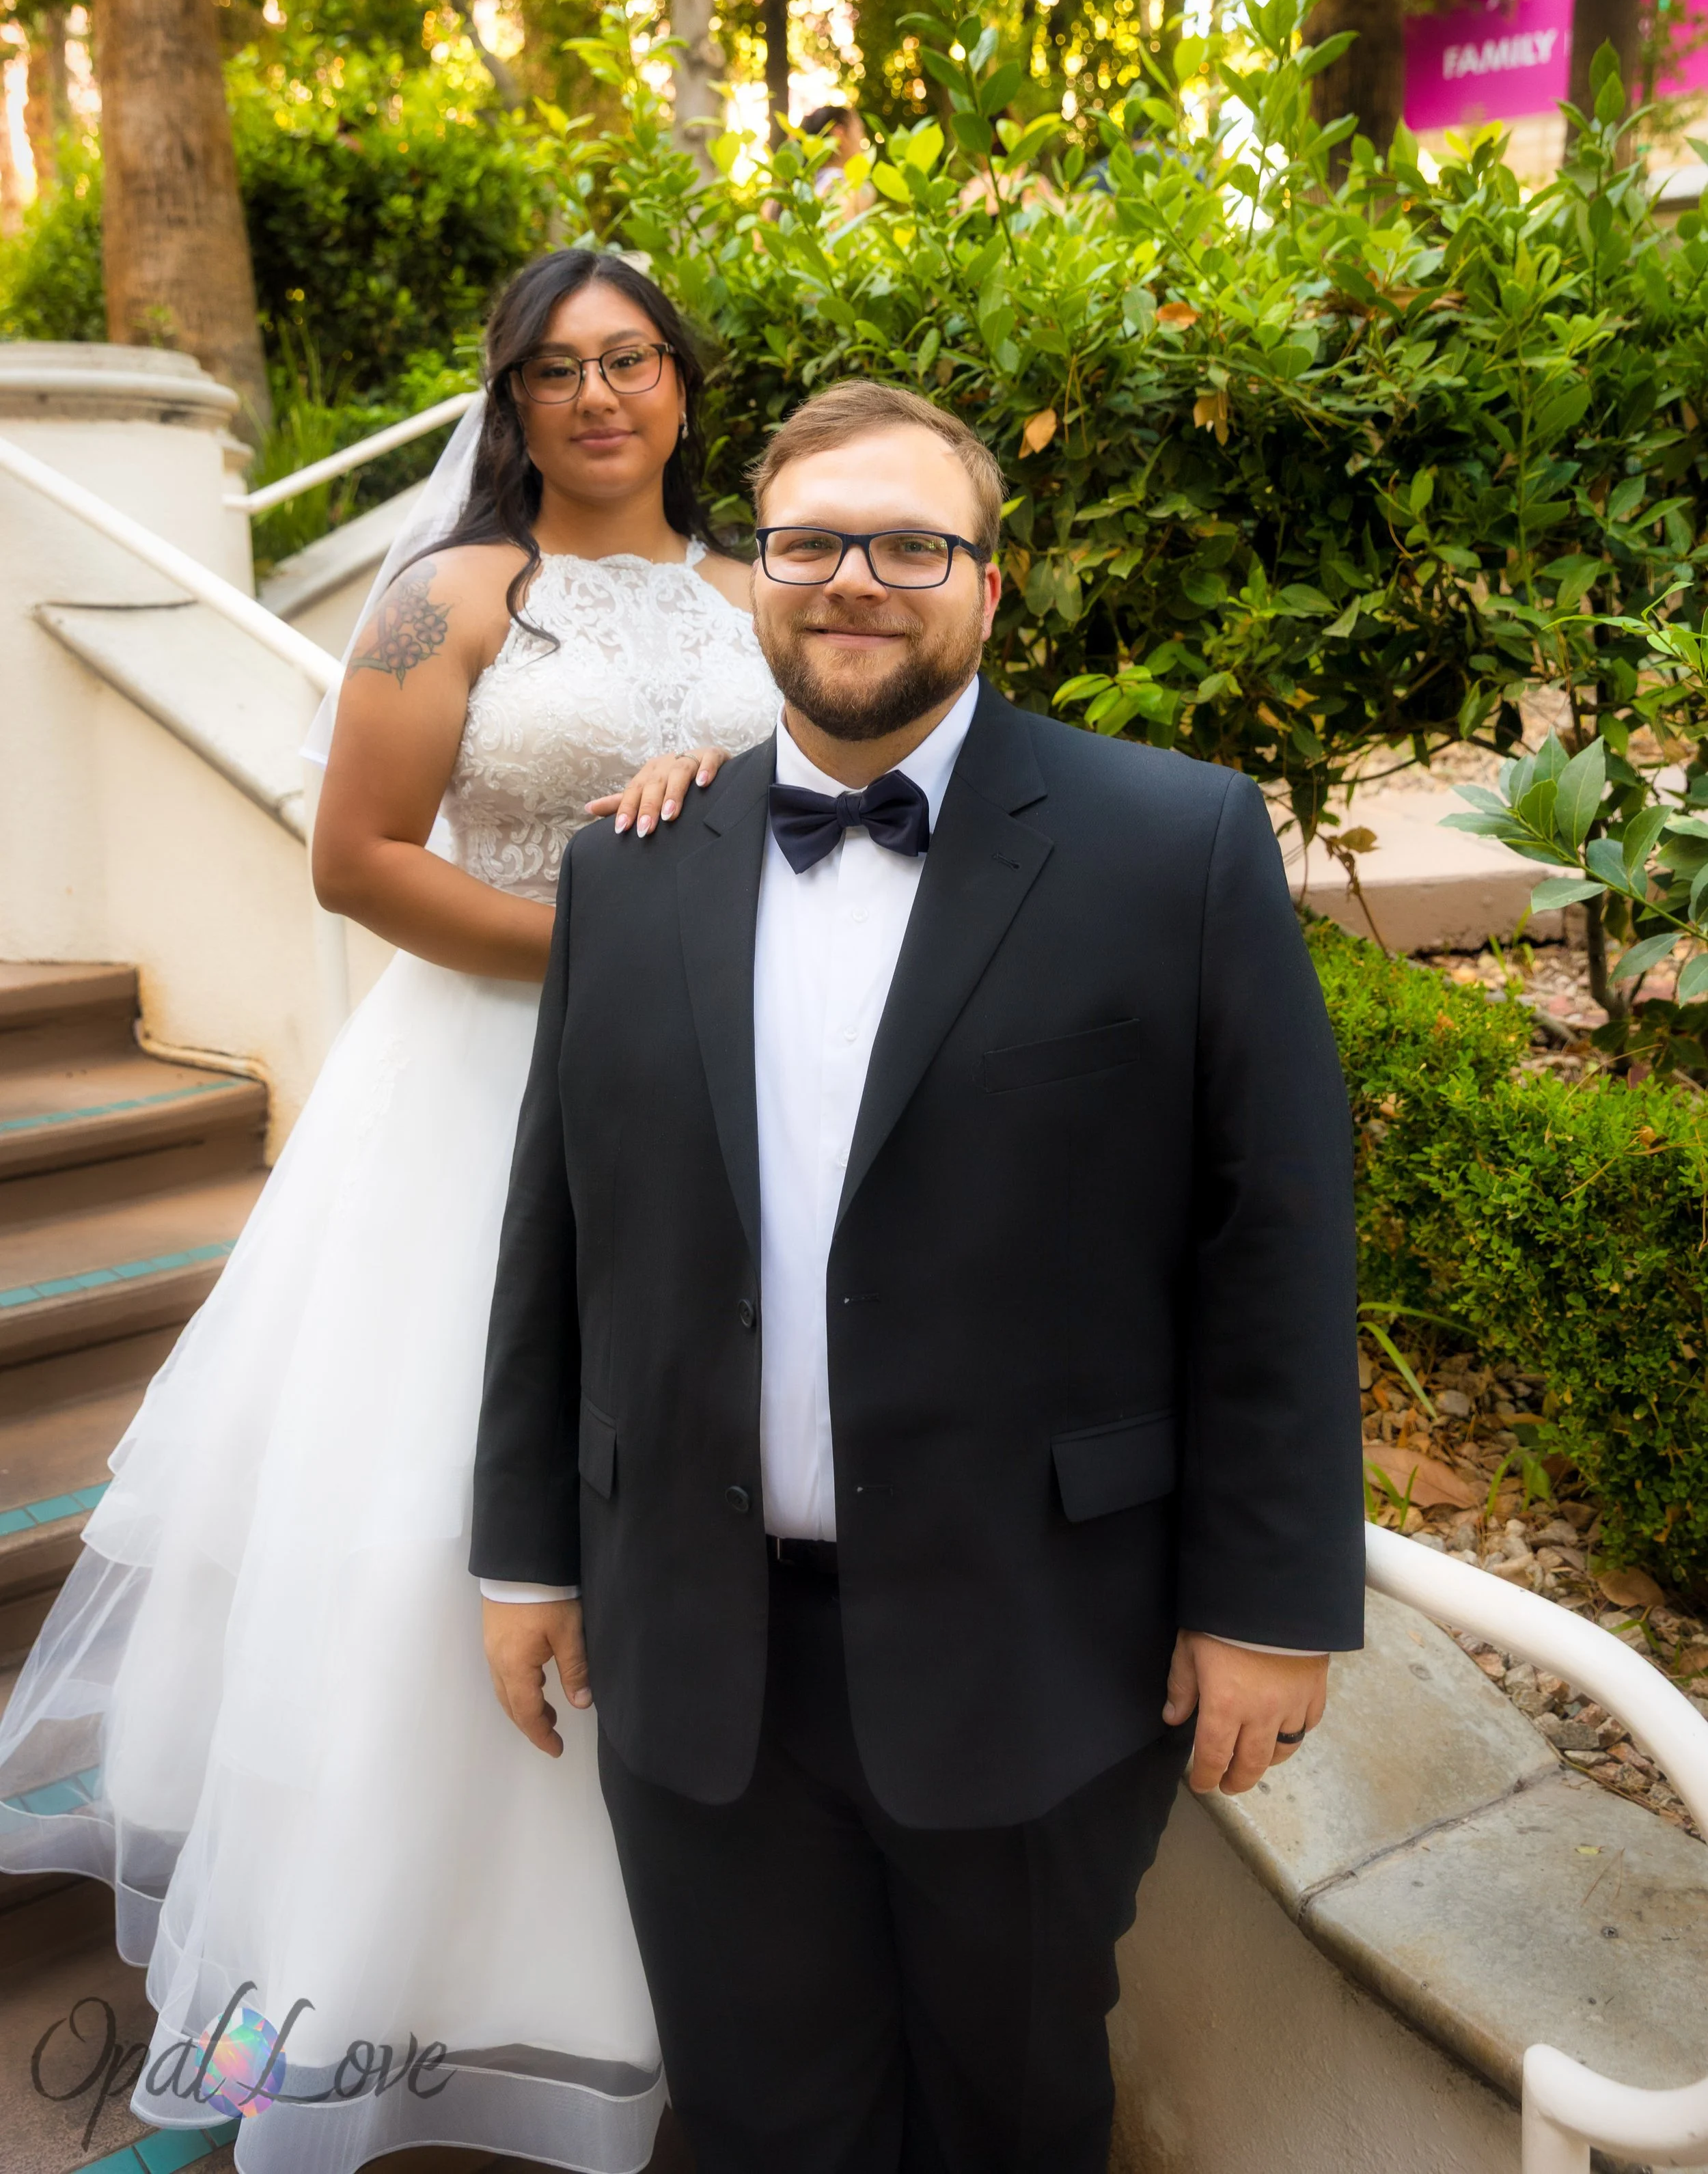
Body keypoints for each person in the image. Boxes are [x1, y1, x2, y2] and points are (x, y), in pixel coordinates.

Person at [473, 377, 1366, 2174]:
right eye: (807, 541)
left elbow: (1268, 1232)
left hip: (1038, 1636)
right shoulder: (628, 866)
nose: (852, 578)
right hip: (697, 1636)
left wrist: (1271, 1600)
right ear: (756, 575)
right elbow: (557, 1228)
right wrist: (525, 1549)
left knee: (1009, 2101)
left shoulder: (1174, 844)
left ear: (988, 581)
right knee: (751, 2109)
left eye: (909, 542)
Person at [0, 248, 780, 2173]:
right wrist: (609, 950)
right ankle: (383, 1972)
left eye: (632, 361)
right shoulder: (448, 595)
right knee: (443, 1506)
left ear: (685, 384)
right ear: (507, 403)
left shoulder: (764, 593)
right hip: (479, 1097)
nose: (599, 396)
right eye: (555, 370)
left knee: (673, 1490)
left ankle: (660, 1978)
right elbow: (357, 860)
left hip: (716, 1103)